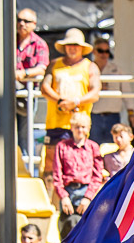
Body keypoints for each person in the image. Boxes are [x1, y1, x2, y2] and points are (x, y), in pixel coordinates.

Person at [0, 8, 48, 154]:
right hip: (6, 94)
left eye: (26, 21)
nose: (22, 24)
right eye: (19, 20)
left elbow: (41, 68)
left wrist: (24, 73)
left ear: (34, 24)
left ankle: (25, 168)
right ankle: (6, 165)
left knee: (24, 134)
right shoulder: (7, 40)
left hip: (25, 95)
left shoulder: (39, 44)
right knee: (4, 133)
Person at [40, 29, 101, 179]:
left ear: (82, 48)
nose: (72, 48)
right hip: (56, 121)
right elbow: (44, 87)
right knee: (51, 161)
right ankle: (49, 199)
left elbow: (95, 92)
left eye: (76, 45)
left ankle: (75, 196)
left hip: (79, 123)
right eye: (69, 45)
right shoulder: (55, 64)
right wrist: (60, 101)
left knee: (78, 163)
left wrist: (75, 102)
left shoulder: (90, 66)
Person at [52, 113, 103, 240]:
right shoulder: (62, 146)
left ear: (88, 128)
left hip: (86, 190)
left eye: (83, 127)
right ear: (72, 128)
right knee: (67, 227)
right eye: (77, 127)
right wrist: (63, 197)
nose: (80, 130)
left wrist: (88, 197)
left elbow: (97, 175)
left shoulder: (93, 147)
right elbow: (57, 174)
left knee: (87, 230)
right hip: (68, 191)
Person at [89, 38, 121, 144]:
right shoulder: (87, 68)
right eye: (100, 51)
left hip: (113, 115)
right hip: (94, 115)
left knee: (112, 148)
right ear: (94, 51)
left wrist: (131, 112)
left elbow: (126, 89)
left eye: (107, 51)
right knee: (94, 148)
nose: (104, 54)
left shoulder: (116, 68)